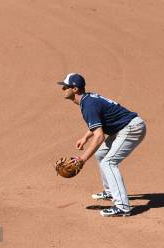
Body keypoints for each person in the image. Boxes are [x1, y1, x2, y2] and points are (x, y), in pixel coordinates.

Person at [58, 73, 147, 217]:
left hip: (131, 129)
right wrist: (85, 137)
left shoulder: (88, 105)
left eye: (65, 86)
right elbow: (98, 123)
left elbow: (99, 137)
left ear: (74, 89)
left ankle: (123, 206)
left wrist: (82, 159)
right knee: (101, 154)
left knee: (109, 162)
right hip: (124, 128)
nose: (63, 89)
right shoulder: (88, 100)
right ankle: (110, 192)